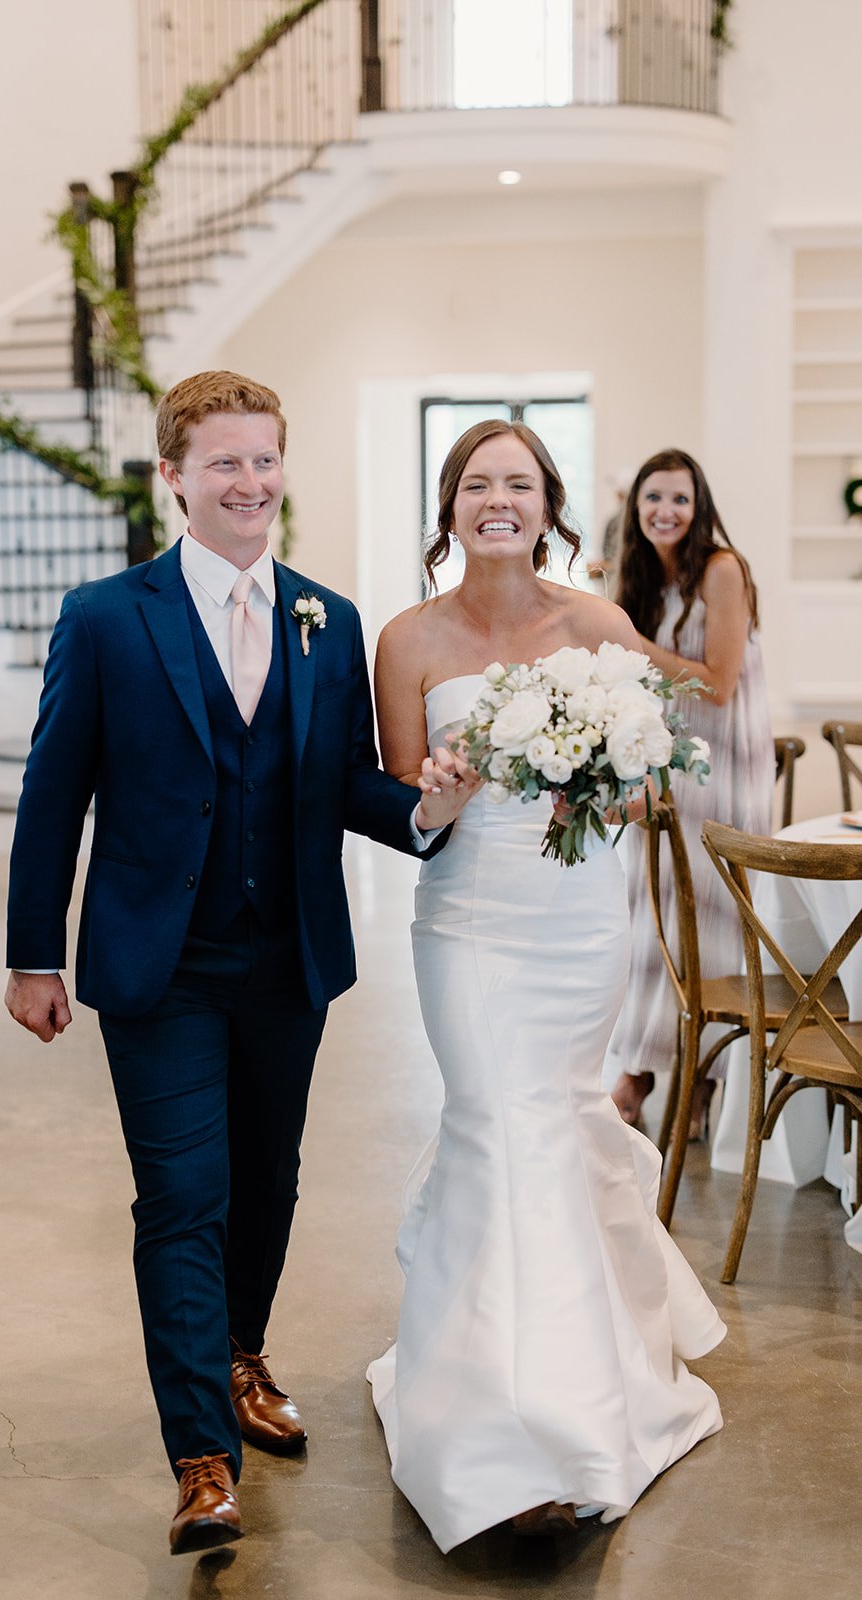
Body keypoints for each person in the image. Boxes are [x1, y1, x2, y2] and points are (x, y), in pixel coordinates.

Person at [3, 371, 474, 1556]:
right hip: (156, 965)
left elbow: (344, 790)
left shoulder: (329, 620)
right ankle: (200, 1454)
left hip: (287, 959)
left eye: (263, 459)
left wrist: (426, 807)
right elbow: (53, 795)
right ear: (174, 476)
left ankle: (241, 1351)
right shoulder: (108, 616)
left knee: (268, 1180)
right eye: (222, 462)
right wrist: (30, 954)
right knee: (182, 1198)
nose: (249, 483)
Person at [367, 419, 725, 1552]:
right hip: (467, 924)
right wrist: (439, 790)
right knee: (493, 1124)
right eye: (476, 483)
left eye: (517, 483)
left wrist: (602, 794)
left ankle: (569, 1396)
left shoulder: (598, 626)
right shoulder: (407, 638)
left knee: (558, 1126)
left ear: (548, 502)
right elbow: (396, 805)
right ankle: (488, 1429)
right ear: (449, 505)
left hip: (574, 926)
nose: (497, 500)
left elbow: (641, 785)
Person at [605, 448, 773, 1134]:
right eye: (652, 499)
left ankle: (682, 1080)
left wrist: (629, 643)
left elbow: (719, 683)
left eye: (678, 499)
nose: (664, 512)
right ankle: (641, 1068)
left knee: (705, 928)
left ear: (698, 506)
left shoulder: (721, 570)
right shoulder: (646, 580)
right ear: (635, 508)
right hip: (668, 768)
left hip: (725, 773)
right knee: (646, 920)